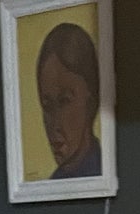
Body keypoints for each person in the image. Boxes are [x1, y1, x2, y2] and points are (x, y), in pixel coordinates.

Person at [35, 20, 101, 179]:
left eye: (65, 101)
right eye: (47, 106)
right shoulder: (53, 183)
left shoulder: (103, 170)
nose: (55, 125)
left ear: (90, 100)